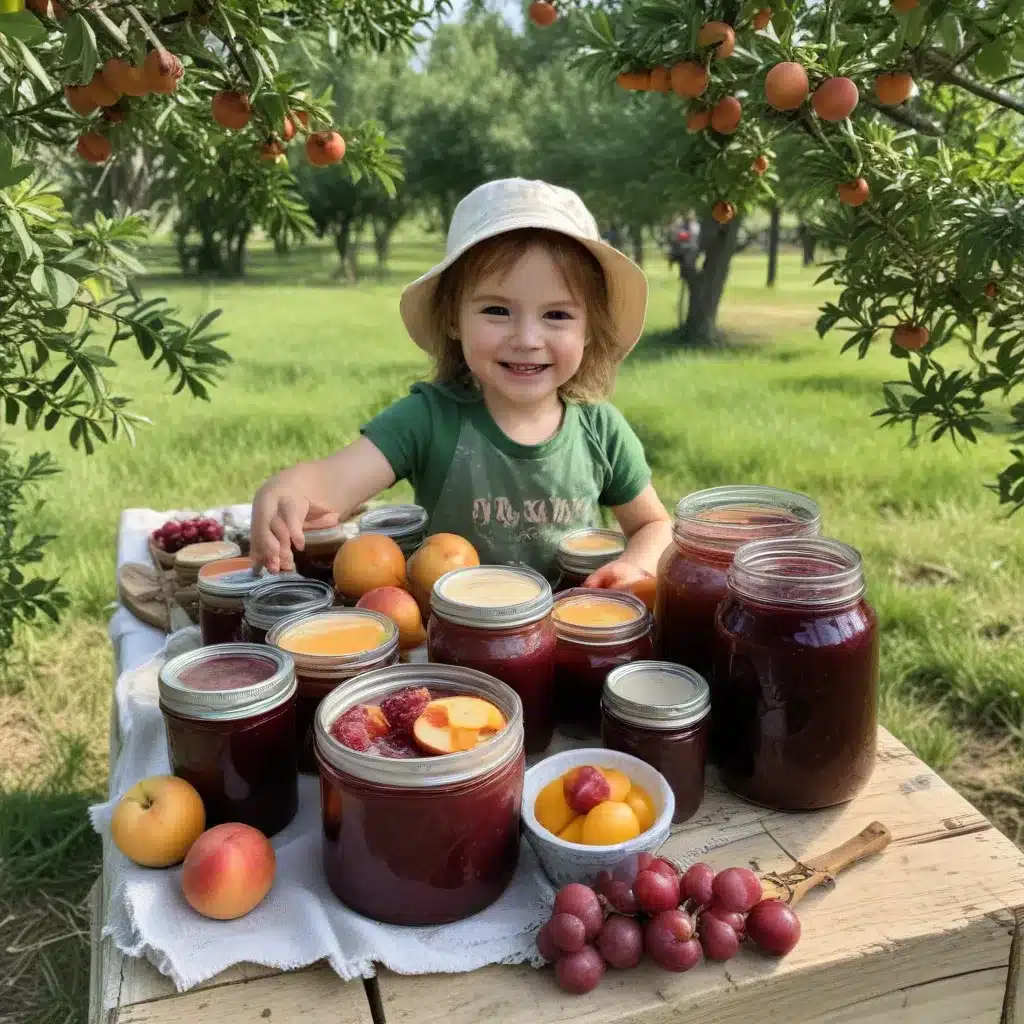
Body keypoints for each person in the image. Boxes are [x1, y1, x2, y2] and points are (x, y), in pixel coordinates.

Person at [250, 177, 672, 590]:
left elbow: (653, 523)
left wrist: (636, 563)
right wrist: (285, 490)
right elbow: (329, 482)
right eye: (496, 310)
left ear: (589, 331)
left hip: (570, 637)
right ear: (453, 318)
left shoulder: (600, 431)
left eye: (557, 315)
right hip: (452, 644)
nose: (526, 339)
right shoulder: (428, 419)